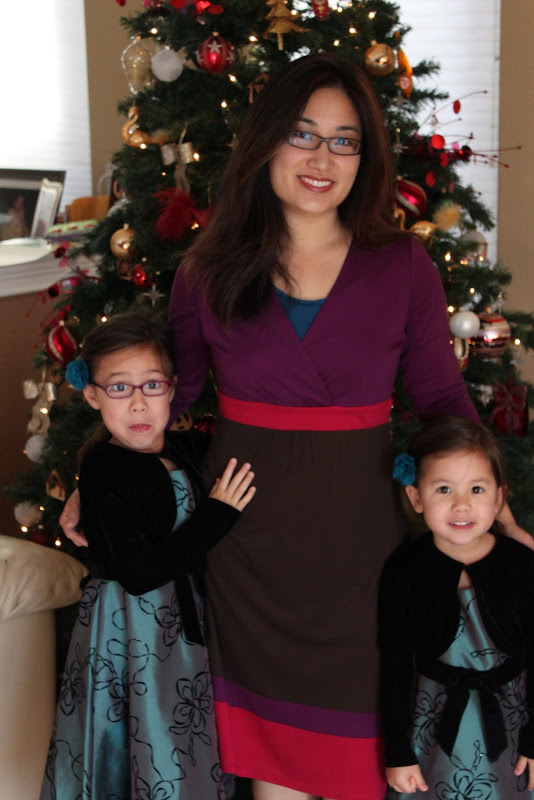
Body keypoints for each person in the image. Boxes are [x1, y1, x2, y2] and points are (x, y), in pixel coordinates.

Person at [62, 53, 531, 800]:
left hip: (362, 545)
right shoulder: (208, 268)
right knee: (272, 769)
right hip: (245, 544)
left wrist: (494, 502)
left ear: (365, 157)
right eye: (303, 134)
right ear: (267, 140)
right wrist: (99, 476)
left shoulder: (403, 264)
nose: (322, 159)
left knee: (363, 756)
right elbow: (170, 398)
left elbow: (441, 395)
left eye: (345, 141)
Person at [41, 312, 255, 800]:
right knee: (144, 735)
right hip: (131, 631)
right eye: (119, 388)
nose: (138, 403)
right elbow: (140, 573)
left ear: (172, 388)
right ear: (92, 395)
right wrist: (216, 515)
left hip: (185, 626)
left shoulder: (186, 448)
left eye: (152, 385)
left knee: (184, 739)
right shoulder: (103, 469)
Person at [379, 415, 534, 798]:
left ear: (499, 497)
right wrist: (398, 749)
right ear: (416, 497)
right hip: (431, 730)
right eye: (444, 489)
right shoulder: (405, 569)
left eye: (477, 489)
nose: (461, 505)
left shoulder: (522, 565)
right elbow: (395, 664)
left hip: (514, 729)